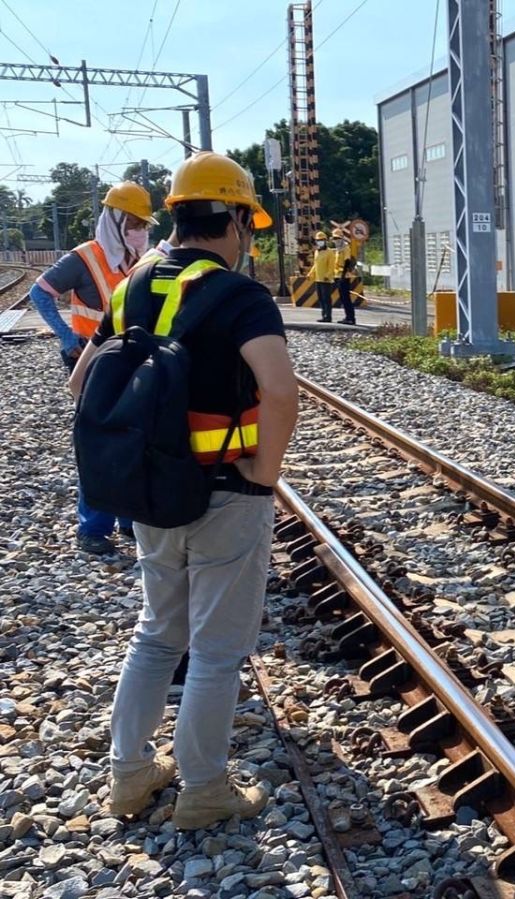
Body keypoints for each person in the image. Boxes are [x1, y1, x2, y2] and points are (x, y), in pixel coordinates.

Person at [68, 151, 298, 827]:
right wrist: (266, 472)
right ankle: (203, 788)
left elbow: (80, 384)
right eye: (246, 223)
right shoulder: (239, 296)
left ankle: (129, 775)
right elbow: (280, 391)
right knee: (218, 649)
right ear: (231, 218)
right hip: (228, 489)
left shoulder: (131, 286)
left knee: (157, 635)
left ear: (176, 214)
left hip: (152, 491)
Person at [28, 182, 157, 555]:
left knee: (134, 437)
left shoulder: (139, 260)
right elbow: (40, 293)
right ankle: (93, 528)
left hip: (130, 359)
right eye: (133, 222)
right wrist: (67, 338)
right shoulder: (84, 258)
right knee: (98, 443)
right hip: (91, 360)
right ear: (116, 220)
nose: (140, 229)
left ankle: (129, 519)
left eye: (143, 223)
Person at [307, 230, 336, 322]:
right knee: (320, 298)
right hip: (318, 279)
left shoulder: (329, 252)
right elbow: (316, 265)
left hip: (326, 280)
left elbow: (332, 266)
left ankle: (328, 316)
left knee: (326, 298)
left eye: (322, 240)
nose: (320, 241)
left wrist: (328, 275)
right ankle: (324, 315)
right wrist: (310, 273)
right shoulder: (317, 252)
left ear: (325, 241)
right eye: (318, 240)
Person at [331, 228, 357, 325]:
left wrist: (342, 275)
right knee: (342, 298)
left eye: (337, 238)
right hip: (338, 275)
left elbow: (347, 261)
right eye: (334, 238)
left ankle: (351, 318)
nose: (336, 240)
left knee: (346, 298)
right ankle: (347, 317)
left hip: (344, 276)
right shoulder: (338, 249)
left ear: (341, 238)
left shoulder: (345, 247)